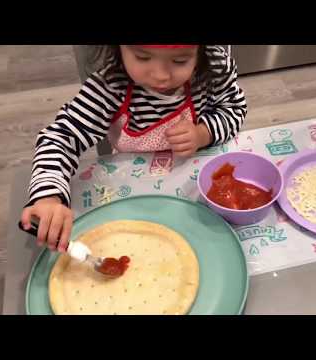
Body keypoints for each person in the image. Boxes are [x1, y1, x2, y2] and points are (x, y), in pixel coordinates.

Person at [20, 45, 247, 252]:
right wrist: (49, 196)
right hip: (130, 185)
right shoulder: (110, 87)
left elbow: (234, 108)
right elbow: (60, 138)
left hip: (194, 188)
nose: (161, 75)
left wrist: (203, 133)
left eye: (180, 61)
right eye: (142, 57)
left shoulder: (214, 67)